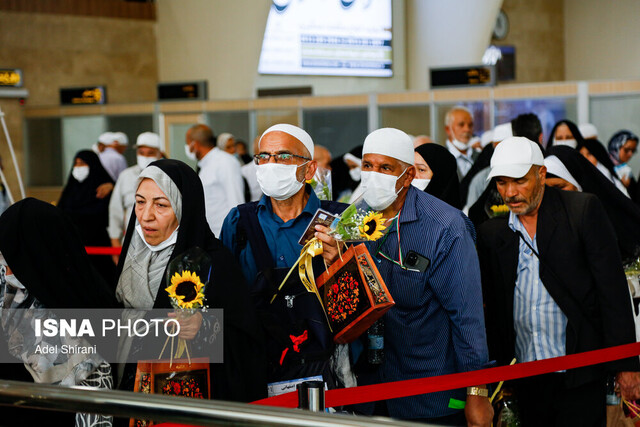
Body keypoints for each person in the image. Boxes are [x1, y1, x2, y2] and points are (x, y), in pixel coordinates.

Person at [317, 128, 492, 425]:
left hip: (430, 393)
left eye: (385, 168)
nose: (374, 175)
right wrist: (337, 265)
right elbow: (349, 303)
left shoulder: (445, 227)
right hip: (369, 391)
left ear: (408, 175)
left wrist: (477, 392)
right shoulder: (353, 219)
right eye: (368, 166)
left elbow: (467, 315)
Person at [477, 137, 640, 426]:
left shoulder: (581, 210)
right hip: (527, 377)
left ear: (541, 174)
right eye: (501, 183)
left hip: (579, 373)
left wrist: (625, 365)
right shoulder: (494, 234)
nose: (510, 192)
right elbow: (495, 309)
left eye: (519, 181)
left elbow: (612, 293)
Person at [114, 159, 266, 404]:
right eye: (140, 202)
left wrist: (204, 326)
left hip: (182, 398)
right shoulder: (134, 252)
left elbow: (247, 340)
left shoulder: (213, 262)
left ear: (185, 209)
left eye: (161, 205)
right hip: (128, 385)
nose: (146, 216)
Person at [220, 124, 346, 387]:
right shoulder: (239, 221)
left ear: (309, 169)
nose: (270, 164)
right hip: (258, 366)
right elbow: (225, 300)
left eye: (283, 156)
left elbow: (363, 302)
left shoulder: (339, 220)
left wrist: (338, 262)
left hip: (328, 368)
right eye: (263, 157)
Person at [0, 198, 120, 426]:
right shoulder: (10, 296)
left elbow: (95, 416)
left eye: (12, 259)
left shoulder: (85, 321)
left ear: (39, 256)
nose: (5, 269)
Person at [545, 145, 640, 263]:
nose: (553, 194)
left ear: (578, 185)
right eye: (546, 189)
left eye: (560, 187)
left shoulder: (605, 218)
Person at [58, 150, 116, 284]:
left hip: (99, 250)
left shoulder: (104, 188)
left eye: (83, 163)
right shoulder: (71, 189)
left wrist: (113, 186)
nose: (78, 167)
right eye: (76, 163)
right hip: (71, 249)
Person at [108, 132, 163, 264]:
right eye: (141, 152)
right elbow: (115, 212)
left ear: (159, 154)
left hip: (162, 245)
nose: (145, 156)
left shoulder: (168, 176)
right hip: (131, 246)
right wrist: (115, 245)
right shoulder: (125, 176)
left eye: (150, 153)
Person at [184, 124, 244, 237]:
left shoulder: (225, 162)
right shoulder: (205, 165)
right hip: (210, 235)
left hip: (225, 236)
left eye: (187, 143)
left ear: (194, 144)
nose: (187, 147)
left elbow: (236, 202)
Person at [413, 143, 462, 209]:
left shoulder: (452, 217)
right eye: (411, 169)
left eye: (421, 170)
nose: (413, 175)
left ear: (439, 177)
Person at [444, 106, 478, 180]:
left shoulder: (479, 156)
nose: (467, 129)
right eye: (461, 125)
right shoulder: (440, 158)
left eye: (470, 125)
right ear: (448, 130)